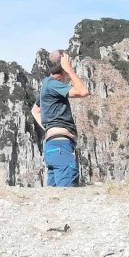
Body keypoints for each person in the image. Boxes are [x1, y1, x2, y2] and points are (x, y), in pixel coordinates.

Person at [31, 51, 90, 187]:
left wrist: (50, 127)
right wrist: (69, 70)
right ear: (64, 65)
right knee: (68, 196)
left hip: (53, 148)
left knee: (56, 199)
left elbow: (35, 110)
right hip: (61, 148)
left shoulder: (47, 85)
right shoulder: (52, 84)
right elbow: (83, 91)